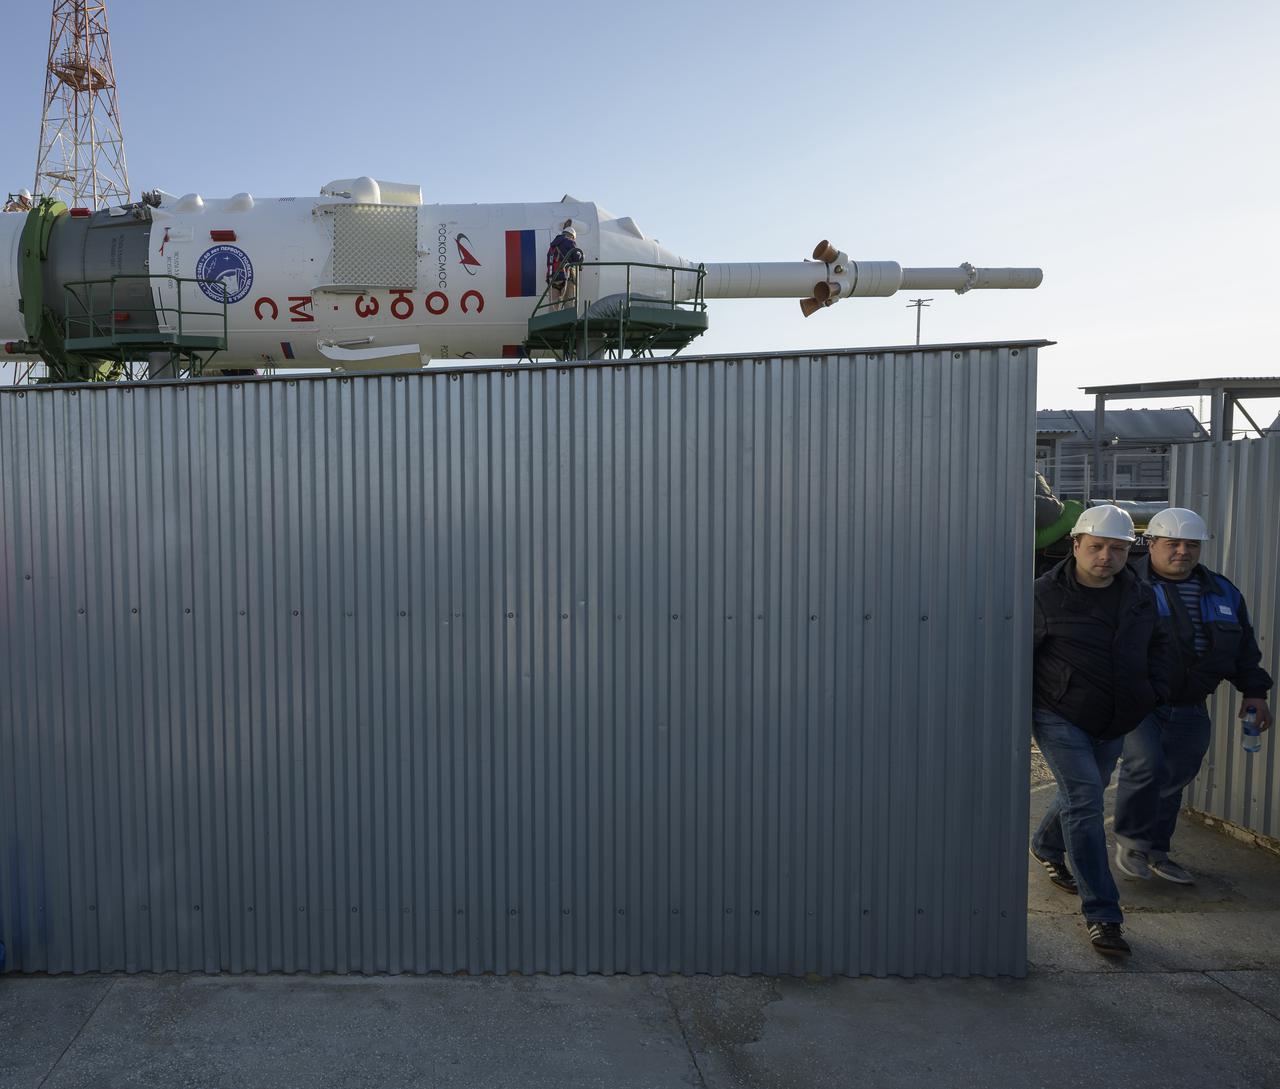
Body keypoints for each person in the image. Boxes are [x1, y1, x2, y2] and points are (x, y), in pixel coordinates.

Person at [1029, 504, 1172, 957]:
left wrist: (1152, 692)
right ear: (1076, 545)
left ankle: (1045, 845)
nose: (1106, 557)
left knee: (1084, 792)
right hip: (1059, 713)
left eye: (1117, 548)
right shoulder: (1043, 595)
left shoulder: (1141, 595)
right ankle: (1103, 914)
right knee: (1086, 800)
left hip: (1116, 717)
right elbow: (1019, 656)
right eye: (1096, 547)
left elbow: (1159, 647)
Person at [1113, 507, 1273, 884]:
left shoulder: (1222, 591)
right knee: (1145, 765)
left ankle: (1156, 851)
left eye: (1191, 544)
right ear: (1152, 544)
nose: (1183, 551)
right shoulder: (1126, 586)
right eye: (1173, 543)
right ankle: (1131, 843)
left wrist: (1254, 692)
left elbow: (1243, 648)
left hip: (1190, 705)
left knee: (1176, 777)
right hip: (1140, 702)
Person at [546, 221, 583, 309]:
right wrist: (582, 259)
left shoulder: (552, 246)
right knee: (569, 303)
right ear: (572, 236)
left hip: (553, 279)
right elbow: (577, 258)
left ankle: (553, 317)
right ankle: (569, 317)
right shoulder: (570, 242)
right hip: (566, 277)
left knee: (553, 306)